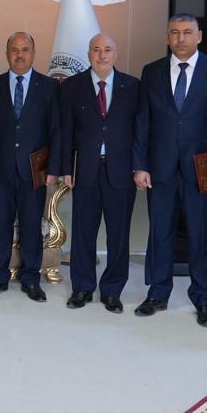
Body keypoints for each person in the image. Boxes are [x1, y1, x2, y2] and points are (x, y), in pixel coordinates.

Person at [133, 13, 207, 327]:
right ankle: (157, 293)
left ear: (199, 36)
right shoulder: (151, 71)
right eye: (174, 32)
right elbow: (143, 122)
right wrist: (140, 165)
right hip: (160, 167)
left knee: (201, 234)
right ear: (167, 37)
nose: (181, 38)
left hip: (204, 168)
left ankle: (204, 298)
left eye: (187, 32)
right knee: (160, 232)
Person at [56, 33, 139, 313]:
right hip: (85, 170)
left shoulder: (133, 86)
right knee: (83, 232)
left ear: (116, 53)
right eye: (96, 49)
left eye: (107, 50)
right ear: (88, 53)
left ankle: (112, 291)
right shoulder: (72, 86)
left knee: (118, 234)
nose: (102, 55)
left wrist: (140, 167)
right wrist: (65, 167)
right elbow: (65, 130)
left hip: (121, 171)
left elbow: (141, 131)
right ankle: (82, 288)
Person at [0, 32, 60, 302]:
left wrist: (53, 168)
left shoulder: (49, 87)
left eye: (25, 49)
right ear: (7, 54)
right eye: (14, 49)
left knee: (31, 225)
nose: (20, 55)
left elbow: (55, 131)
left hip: (35, 170)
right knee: (0, 223)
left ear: (33, 53)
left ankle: (31, 278)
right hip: (0, 169)